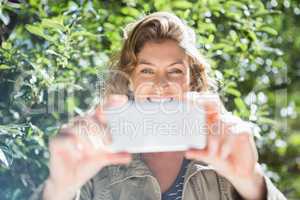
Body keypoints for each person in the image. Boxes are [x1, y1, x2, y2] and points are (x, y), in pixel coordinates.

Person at [30, 11, 286, 200]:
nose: (161, 84)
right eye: (147, 71)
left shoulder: (222, 147)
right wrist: (58, 189)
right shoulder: (98, 148)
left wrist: (253, 183)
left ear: (191, 79)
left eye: (175, 71)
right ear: (129, 79)